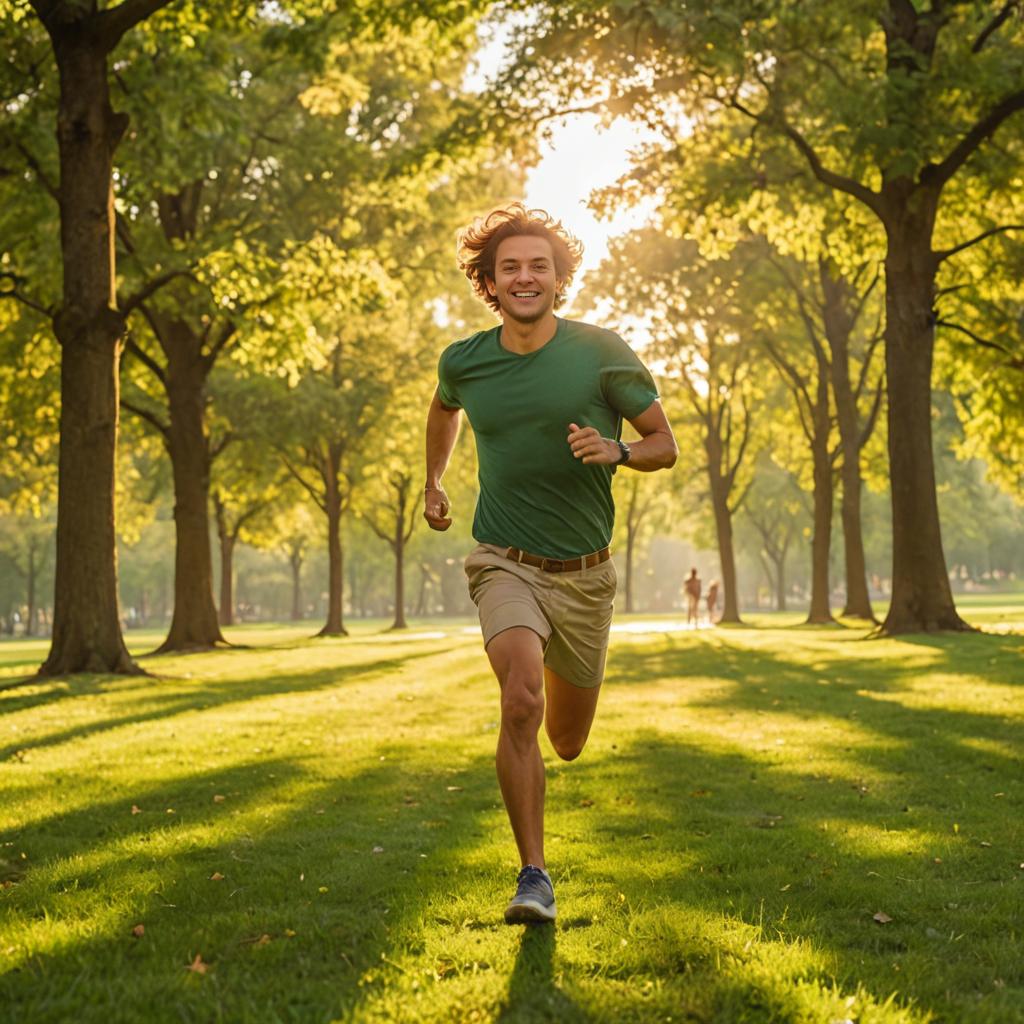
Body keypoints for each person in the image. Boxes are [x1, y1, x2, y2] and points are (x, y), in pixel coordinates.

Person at [423, 202, 677, 924]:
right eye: (510, 268)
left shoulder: (601, 352)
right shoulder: (465, 360)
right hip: (505, 560)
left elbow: (664, 442)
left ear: (559, 279)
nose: (525, 277)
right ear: (490, 282)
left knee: (565, 740)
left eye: (539, 265)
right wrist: (435, 482)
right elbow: (444, 409)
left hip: (586, 575)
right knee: (521, 699)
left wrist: (618, 450)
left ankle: (541, 830)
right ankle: (533, 874)